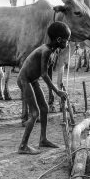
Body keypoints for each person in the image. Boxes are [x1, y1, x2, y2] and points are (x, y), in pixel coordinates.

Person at [17, 21, 70, 155]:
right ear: (59, 40)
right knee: (35, 113)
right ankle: (23, 146)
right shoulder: (46, 51)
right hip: (25, 80)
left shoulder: (52, 51)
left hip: (32, 80)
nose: (68, 43)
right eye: (66, 40)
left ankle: (43, 139)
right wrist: (57, 91)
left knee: (44, 109)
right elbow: (44, 75)